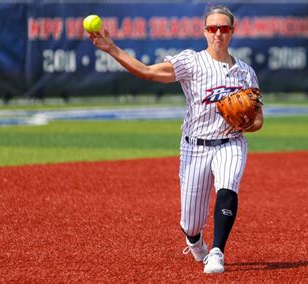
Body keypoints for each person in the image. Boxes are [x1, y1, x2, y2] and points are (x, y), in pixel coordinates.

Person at [87, 5, 263, 274]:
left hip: (231, 143)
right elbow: (147, 72)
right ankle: (195, 241)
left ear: (232, 32)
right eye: (213, 28)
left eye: (224, 28)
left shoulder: (245, 72)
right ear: (205, 32)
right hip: (195, 147)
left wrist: (248, 123)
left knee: (228, 187)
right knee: (191, 223)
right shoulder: (192, 62)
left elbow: (259, 118)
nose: (218, 34)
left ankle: (217, 252)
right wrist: (111, 48)